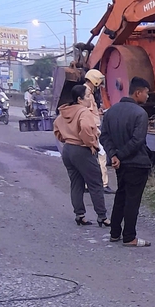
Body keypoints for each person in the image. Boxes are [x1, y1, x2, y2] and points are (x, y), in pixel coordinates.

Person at [101, 76, 152, 247]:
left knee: (121, 196)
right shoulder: (140, 114)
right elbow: (137, 140)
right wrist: (120, 155)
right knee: (132, 200)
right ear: (137, 93)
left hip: (120, 165)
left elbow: (104, 136)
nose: (147, 96)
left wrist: (114, 155)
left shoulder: (111, 112)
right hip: (137, 163)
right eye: (146, 93)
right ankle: (130, 236)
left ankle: (115, 233)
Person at [53, 84, 110, 227]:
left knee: (76, 183)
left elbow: (57, 126)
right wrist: (91, 143)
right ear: (80, 99)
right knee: (95, 183)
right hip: (81, 149)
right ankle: (102, 216)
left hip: (68, 149)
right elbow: (85, 128)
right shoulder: (84, 112)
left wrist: (65, 138)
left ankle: (79, 215)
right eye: (87, 96)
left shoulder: (65, 111)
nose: (90, 98)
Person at [84, 69, 113, 194]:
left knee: (90, 157)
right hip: (92, 130)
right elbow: (87, 113)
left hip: (91, 129)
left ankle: (88, 184)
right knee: (102, 154)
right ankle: (103, 184)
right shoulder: (87, 93)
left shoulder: (86, 92)